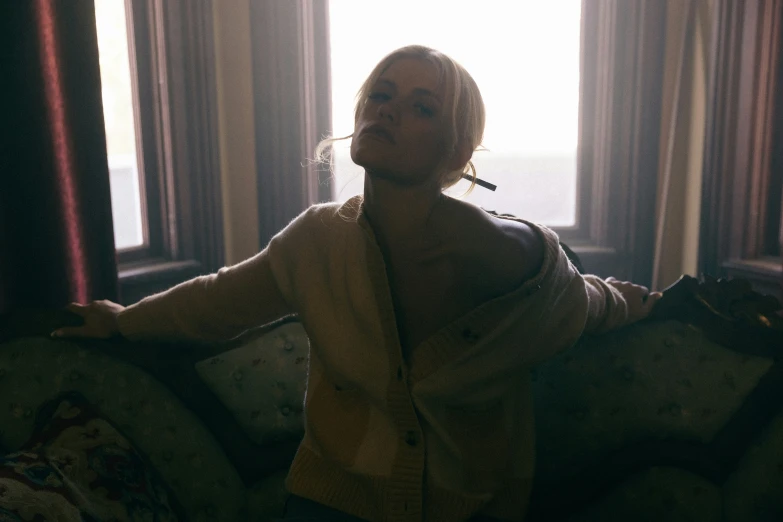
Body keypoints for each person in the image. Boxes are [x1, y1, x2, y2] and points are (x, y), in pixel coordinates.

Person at [53, 45, 662, 522]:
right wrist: (122, 321)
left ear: (457, 153)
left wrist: (631, 302)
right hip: (332, 501)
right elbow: (218, 300)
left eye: (422, 106)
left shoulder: (505, 255)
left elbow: (576, 302)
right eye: (381, 95)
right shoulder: (318, 241)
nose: (388, 109)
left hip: (473, 508)